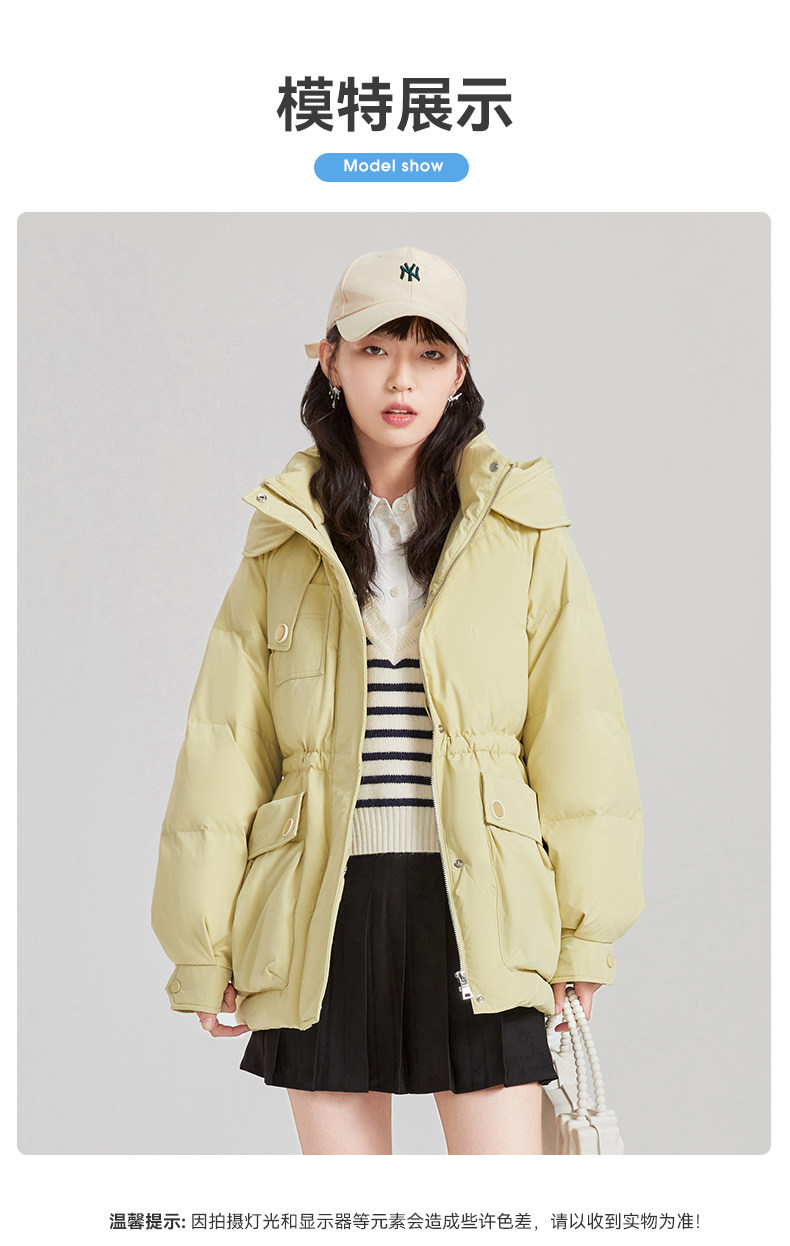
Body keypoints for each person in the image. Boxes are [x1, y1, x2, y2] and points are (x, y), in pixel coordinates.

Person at [151, 245, 644, 1156]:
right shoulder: (285, 538)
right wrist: (202, 944)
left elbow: (579, 734)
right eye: (376, 349)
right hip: (319, 900)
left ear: (460, 374)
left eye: (429, 352)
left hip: (484, 898)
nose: (402, 378)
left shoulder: (521, 528)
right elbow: (226, 746)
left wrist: (585, 933)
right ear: (331, 363)